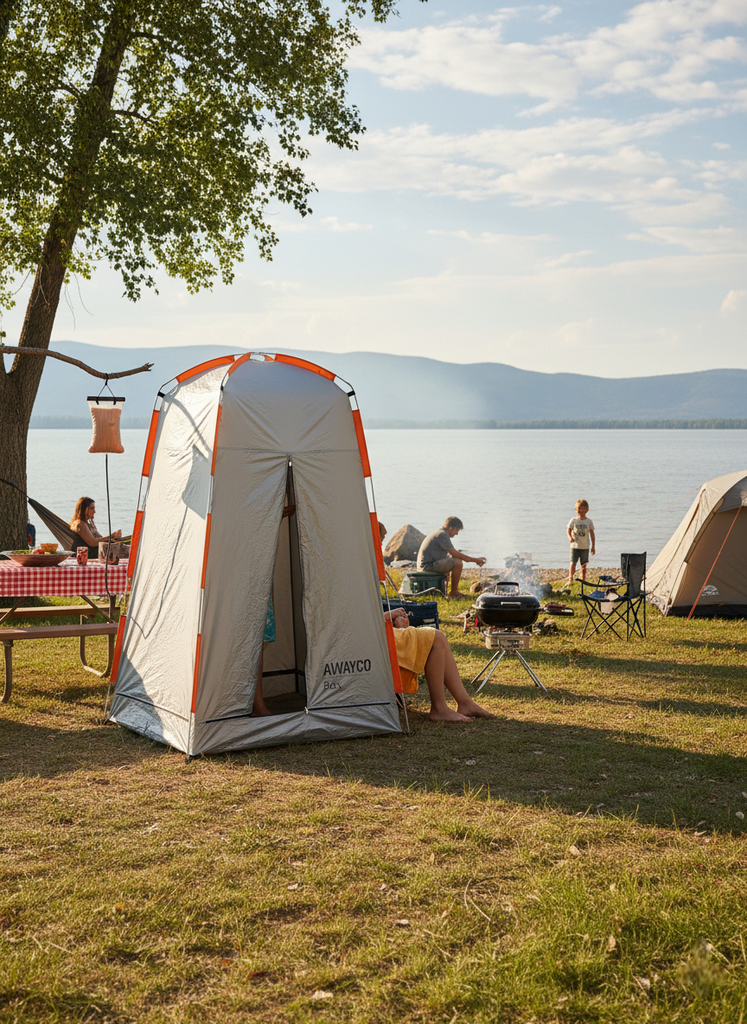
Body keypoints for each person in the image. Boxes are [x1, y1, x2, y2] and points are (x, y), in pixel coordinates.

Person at [385, 607, 495, 723]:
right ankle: (439, 708)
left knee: (437, 637)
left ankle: (465, 703)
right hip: (373, 640)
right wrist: (389, 615)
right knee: (436, 638)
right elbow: (365, 624)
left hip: (375, 635)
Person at [252, 503, 296, 716]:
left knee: (259, 640)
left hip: (256, 569)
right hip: (243, 570)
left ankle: (256, 703)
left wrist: (274, 515)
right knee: (253, 639)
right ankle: (256, 705)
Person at [417, 516, 486, 598]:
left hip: (427, 565)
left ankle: (449, 591)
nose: (457, 533)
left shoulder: (439, 533)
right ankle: (454, 592)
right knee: (457, 562)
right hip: (426, 567)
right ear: (450, 528)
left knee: (451, 561)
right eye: (457, 530)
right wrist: (476, 560)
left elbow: (450, 555)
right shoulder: (442, 535)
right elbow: (455, 554)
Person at [567, 498, 595, 585]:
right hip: (575, 546)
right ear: (576, 509)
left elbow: (592, 534)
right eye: (579, 509)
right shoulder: (574, 520)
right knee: (573, 563)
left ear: (587, 509)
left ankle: (583, 581)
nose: (581, 511)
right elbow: (568, 530)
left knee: (583, 566)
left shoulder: (588, 521)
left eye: (583, 509)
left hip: (585, 547)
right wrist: (570, 538)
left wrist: (593, 547)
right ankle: (570, 580)